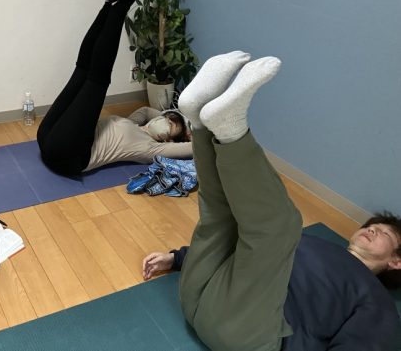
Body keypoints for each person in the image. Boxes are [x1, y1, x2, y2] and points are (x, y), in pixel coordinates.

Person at [142, 51, 401, 351]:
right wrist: (176, 259)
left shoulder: (376, 301)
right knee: (221, 214)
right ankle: (198, 120)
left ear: (396, 261)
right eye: (370, 226)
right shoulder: (317, 244)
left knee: (282, 226)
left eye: (384, 233)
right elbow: (245, 251)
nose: (371, 229)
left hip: (250, 331)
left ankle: (231, 130)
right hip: (197, 293)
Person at [37, 0, 192, 176]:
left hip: (67, 156)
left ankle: (123, 5)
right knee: (82, 69)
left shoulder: (150, 149)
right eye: (166, 119)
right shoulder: (134, 123)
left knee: (97, 79)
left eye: (169, 125)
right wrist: (174, 117)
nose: (163, 120)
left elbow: (193, 149)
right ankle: (109, 4)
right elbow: (145, 111)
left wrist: (189, 132)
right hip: (46, 137)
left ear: (168, 140)